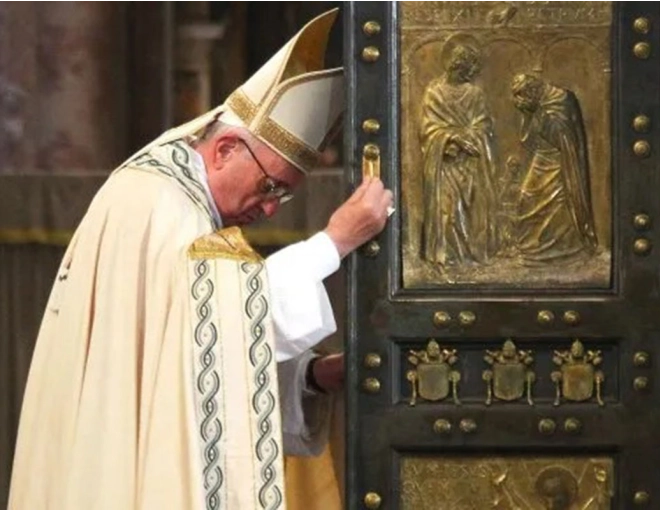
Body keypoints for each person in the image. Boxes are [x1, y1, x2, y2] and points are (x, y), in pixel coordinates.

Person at [8, 9, 392, 510]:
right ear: (226, 148)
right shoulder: (159, 204)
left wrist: (311, 379)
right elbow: (217, 321)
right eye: (270, 185)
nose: (271, 207)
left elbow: (195, 364)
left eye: (284, 196)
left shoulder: (169, 196)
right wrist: (333, 243)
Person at [420, 33, 497, 267]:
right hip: (445, 162)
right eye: (462, 66)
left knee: (471, 208)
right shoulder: (434, 92)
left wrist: (469, 139)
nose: (466, 72)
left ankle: (470, 254)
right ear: (453, 64)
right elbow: (427, 129)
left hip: (470, 161)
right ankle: (449, 256)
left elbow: (484, 125)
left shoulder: (475, 94)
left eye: (469, 68)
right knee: (448, 209)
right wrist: (449, 140)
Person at [510, 73, 598, 266]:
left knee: (559, 204)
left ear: (533, 91)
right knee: (526, 197)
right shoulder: (540, 104)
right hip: (542, 156)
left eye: (521, 95)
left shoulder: (561, 100)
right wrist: (528, 114)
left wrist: (540, 115)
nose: (519, 101)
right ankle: (532, 249)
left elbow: (563, 138)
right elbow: (529, 140)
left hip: (560, 161)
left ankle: (564, 251)